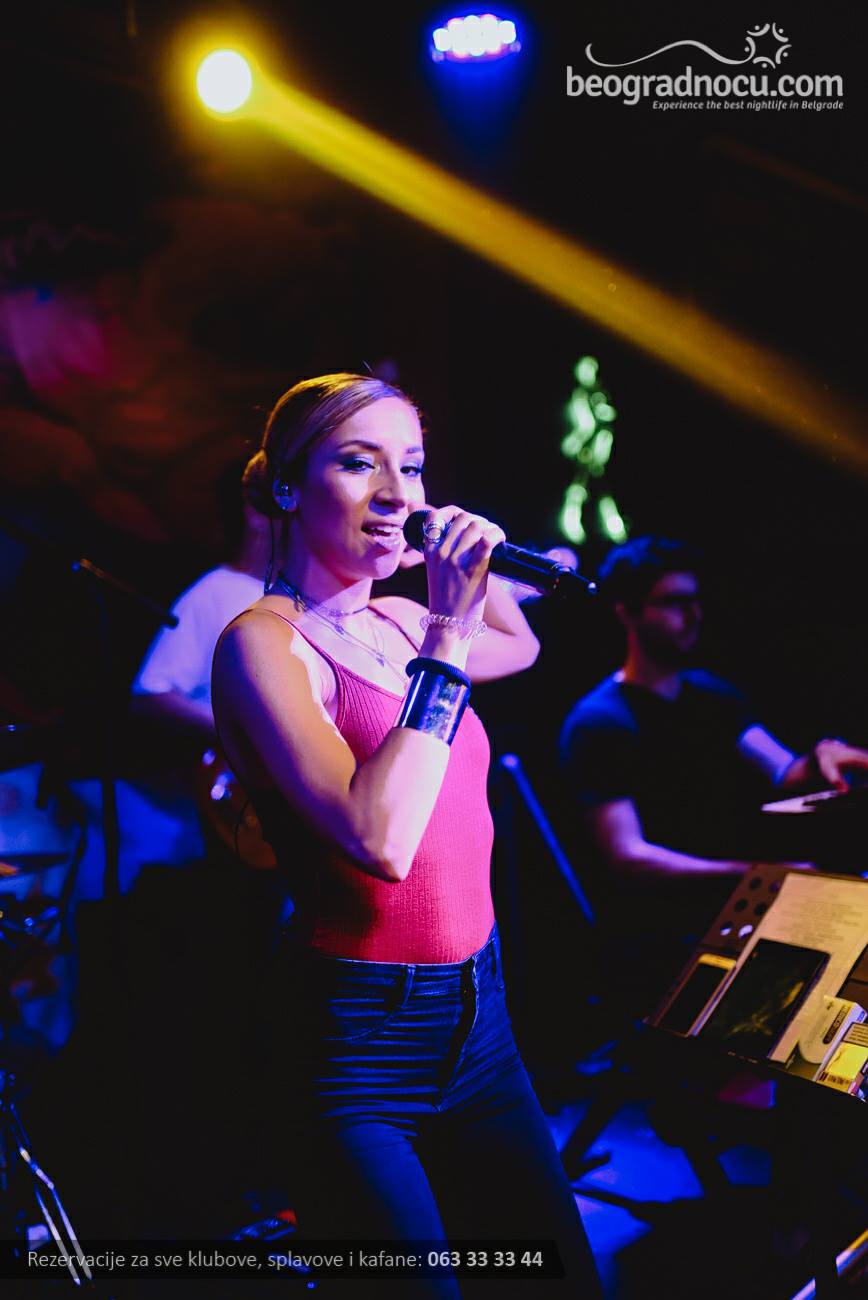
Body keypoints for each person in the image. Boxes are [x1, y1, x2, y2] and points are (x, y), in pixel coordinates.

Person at [211, 373, 602, 1298]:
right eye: (361, 464)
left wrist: (470, 572)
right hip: (359, 1048)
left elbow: (522, 645)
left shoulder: (397, 621)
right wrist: (451, 626)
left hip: (481, 1019)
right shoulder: (264, 645)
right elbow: (378, 838)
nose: (398, 495)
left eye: (414, 468)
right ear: (287, 487)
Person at [559, 536, 868, 1006]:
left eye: (695, 601)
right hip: (659, 943)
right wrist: (758, 875)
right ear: (627, 612)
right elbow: (629, 856)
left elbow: (785, 771)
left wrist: (827, 755)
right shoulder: (599, 721)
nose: (693, 614)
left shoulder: (713, 697)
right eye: (673, 603)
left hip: (736, 918)